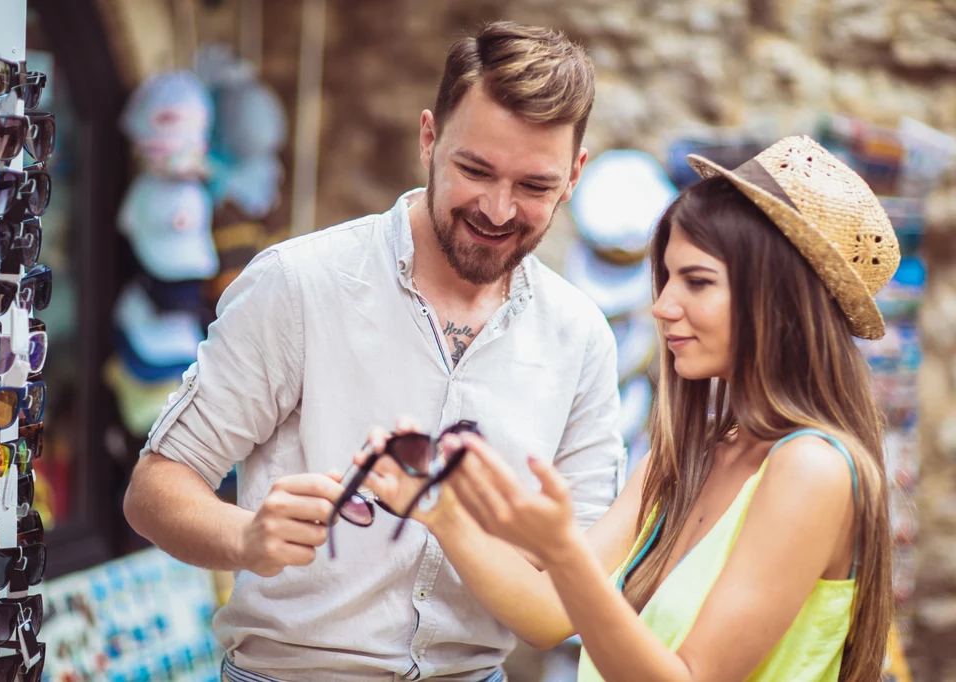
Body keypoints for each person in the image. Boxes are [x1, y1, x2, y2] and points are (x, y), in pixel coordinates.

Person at [123, 21, 626, 682]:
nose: (500, 210)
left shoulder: (582, 336)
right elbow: (153, 493)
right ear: (428, 138)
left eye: (534, 186)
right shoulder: (298, 284)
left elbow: (563, 604)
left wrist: (447, 519)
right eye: (475, 170)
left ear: (573, 176)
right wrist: (245, 538)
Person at [362, 135, 898, 682]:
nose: (663, 307)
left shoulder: (812, 469)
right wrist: (441, 512)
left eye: (697, 282)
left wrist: (563, 553)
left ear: (778, 297)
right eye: (667, 279)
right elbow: (549, 614)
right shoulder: (692, 452)